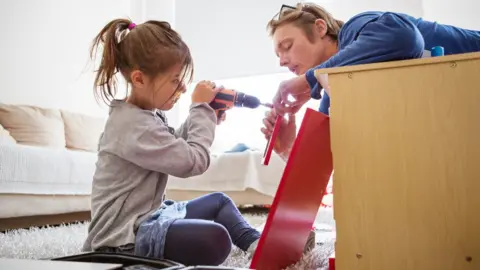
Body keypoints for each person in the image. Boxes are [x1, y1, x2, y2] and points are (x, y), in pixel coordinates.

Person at [81, 18, 266, 266]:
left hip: (150, 216)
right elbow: (194, 161)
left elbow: (173, 143)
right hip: (123, 238)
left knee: (219, 201)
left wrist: (202, 116)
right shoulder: (131, 126)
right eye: (174, 80)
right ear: (139, 79)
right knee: (216, 240)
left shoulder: (144, 116)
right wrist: (201, 109)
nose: (182, 88)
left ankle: (259, 243)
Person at [266, 2, 480, 117]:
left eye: (287, 47)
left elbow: (402, 37)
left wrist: (309, 79)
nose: (282, 61)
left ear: (320, 28)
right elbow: (328, 156)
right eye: (278, 56)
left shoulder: (356, 29)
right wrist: (287, 146)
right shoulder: (336, 87)